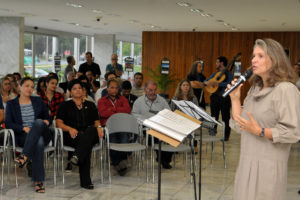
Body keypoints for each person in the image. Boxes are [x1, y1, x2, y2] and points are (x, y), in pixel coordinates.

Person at [228, 38, 300, 200]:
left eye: (260, 56)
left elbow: (292, 132)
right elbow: (240, 125)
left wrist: (259, 131)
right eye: (253, 56)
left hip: (268, 168)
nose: (254, 60)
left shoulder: (286, 90)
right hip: (246, 163)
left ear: (275, 60)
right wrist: (235, 99)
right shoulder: (254, 89)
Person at [5, 77, 52, 193]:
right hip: (23, 136)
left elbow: (48, 117)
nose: (30, 89)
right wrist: (22, 128)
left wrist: (47, 121)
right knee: (38, 143)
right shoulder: (11, 104)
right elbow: (8, 123)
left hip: (42, 131)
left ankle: (24, 155)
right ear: (19, 87)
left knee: (38, 122)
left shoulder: (38, 101)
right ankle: (38, 181)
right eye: (27, 86)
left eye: (32, 87)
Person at [56, 79, 103, 189]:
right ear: (70, 91)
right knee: (86, 144)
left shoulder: (90, 105)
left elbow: (96, 121)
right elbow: (59, 123)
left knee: (91, 130)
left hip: (89, 134)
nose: (77, 90)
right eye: (74, 88)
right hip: (72, 135)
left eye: (80, 88)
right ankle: (86, 181)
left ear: (83, 91)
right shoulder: (65, 105)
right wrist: (70, 129)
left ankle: (76, 156)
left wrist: (99, 128)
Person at [131, 80, 173, 169]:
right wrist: (146, 120)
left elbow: (169, 114)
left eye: (154, 90)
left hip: (160, 125)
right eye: (150, 90)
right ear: (145, 90)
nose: (153, 93)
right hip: (145, 127)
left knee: (172, 135)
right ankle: (163, 159)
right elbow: (134, 115)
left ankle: (165, 159)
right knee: (156, 136)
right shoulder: (139, 101)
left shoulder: (162, 101)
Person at [98, 79, 131, 175]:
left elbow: (127, 110)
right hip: (108, 126)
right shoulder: (101, 101)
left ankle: (122, 161)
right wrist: (118, 111)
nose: (114, 90)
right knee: (112, 140)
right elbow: (103, 113)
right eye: (112, 87)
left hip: (122, 125)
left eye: (116, 88)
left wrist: (112, 110)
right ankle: (118, 163)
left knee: (124, 137)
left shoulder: (123, 99)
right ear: (107, 89)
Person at [205, 56, 233, 140]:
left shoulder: (229, 74)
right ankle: (212, 133)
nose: (216, 64)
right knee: (213, 117)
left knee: (225, 117)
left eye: (217, 62)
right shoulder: (215, 74)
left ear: (221, 63)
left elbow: (230, 84)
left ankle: (226, 136)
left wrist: (218, 84)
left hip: (224, 98)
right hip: (214, 97)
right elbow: (207, 81)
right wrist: (207, 82)